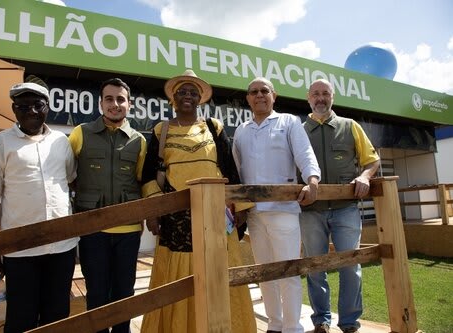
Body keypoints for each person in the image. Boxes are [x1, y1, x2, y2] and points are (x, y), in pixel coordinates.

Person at [140, 69, 256, 333]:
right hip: (175, 218)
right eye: (182, 91)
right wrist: (154, 212)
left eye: (193, 92)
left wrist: (240, 208)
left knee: (219, 268)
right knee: (179, 276)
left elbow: (229, 169)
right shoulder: (161, 130)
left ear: (200, 98)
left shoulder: (214, 128)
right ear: (173, 98)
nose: (188, 96)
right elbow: (148, 176)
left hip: (216, 213)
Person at [0, 81, 78, 332]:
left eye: (37, 105)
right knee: (21, 319)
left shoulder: (61, 142)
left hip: (62, 248)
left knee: (58, 315)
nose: (31, 111)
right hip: (20, 252)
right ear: (13, 109)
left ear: (48, 108)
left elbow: (70, 184)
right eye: (23, 106)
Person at [232, 77, 321, 333]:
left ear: (274, 95)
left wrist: (312, 181)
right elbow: (238, 169)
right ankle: (274, 324)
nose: (259, 95)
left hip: (283, 210)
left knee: (288, 272)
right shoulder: (241, 130)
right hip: (255, 215)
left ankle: (292, 328)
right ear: (248, 98)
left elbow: (305, 155)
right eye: (254, 92)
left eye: (264, 91)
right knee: (265, 272)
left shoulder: (289, 121)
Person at [300, 79, 380, 333]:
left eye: (325, 93)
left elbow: (371, 161)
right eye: (316, 94)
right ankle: (321, 320)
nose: (320, 98)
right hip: (311, 211)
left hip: (346, 208)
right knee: (315, 267)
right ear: (308, 98)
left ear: (332, 96)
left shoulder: (350, 126)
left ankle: (349, 322)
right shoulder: (298, 130)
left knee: (350, 266)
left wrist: (365, 177)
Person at [68, 78, 147, 333]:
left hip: (128, 231)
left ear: (130, 104)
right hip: (93, 231)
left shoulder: (139, 141)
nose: (115, 104)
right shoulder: (80, 133)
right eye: (109, 99)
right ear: (100, 103)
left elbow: (141, 181)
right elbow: (66, 176)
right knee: (97, 293)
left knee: (125, 293)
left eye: (121, 99)